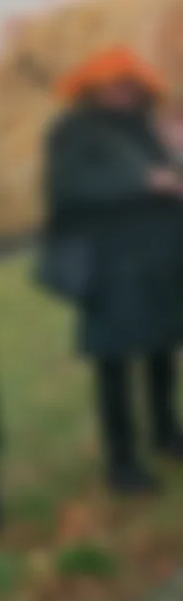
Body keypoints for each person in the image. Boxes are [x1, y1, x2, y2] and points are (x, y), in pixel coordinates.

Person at [41, 46, 183, 493]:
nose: (121, 93)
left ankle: (165, 433)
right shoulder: (73, 130)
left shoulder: (145, 128)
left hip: (159, 264)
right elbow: (70, 189)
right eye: (113, 85)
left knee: (161, 352)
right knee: (115, 363)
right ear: (93, 88)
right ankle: (121, 462)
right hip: (109, 268)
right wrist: (142, 182)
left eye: (128, 85)